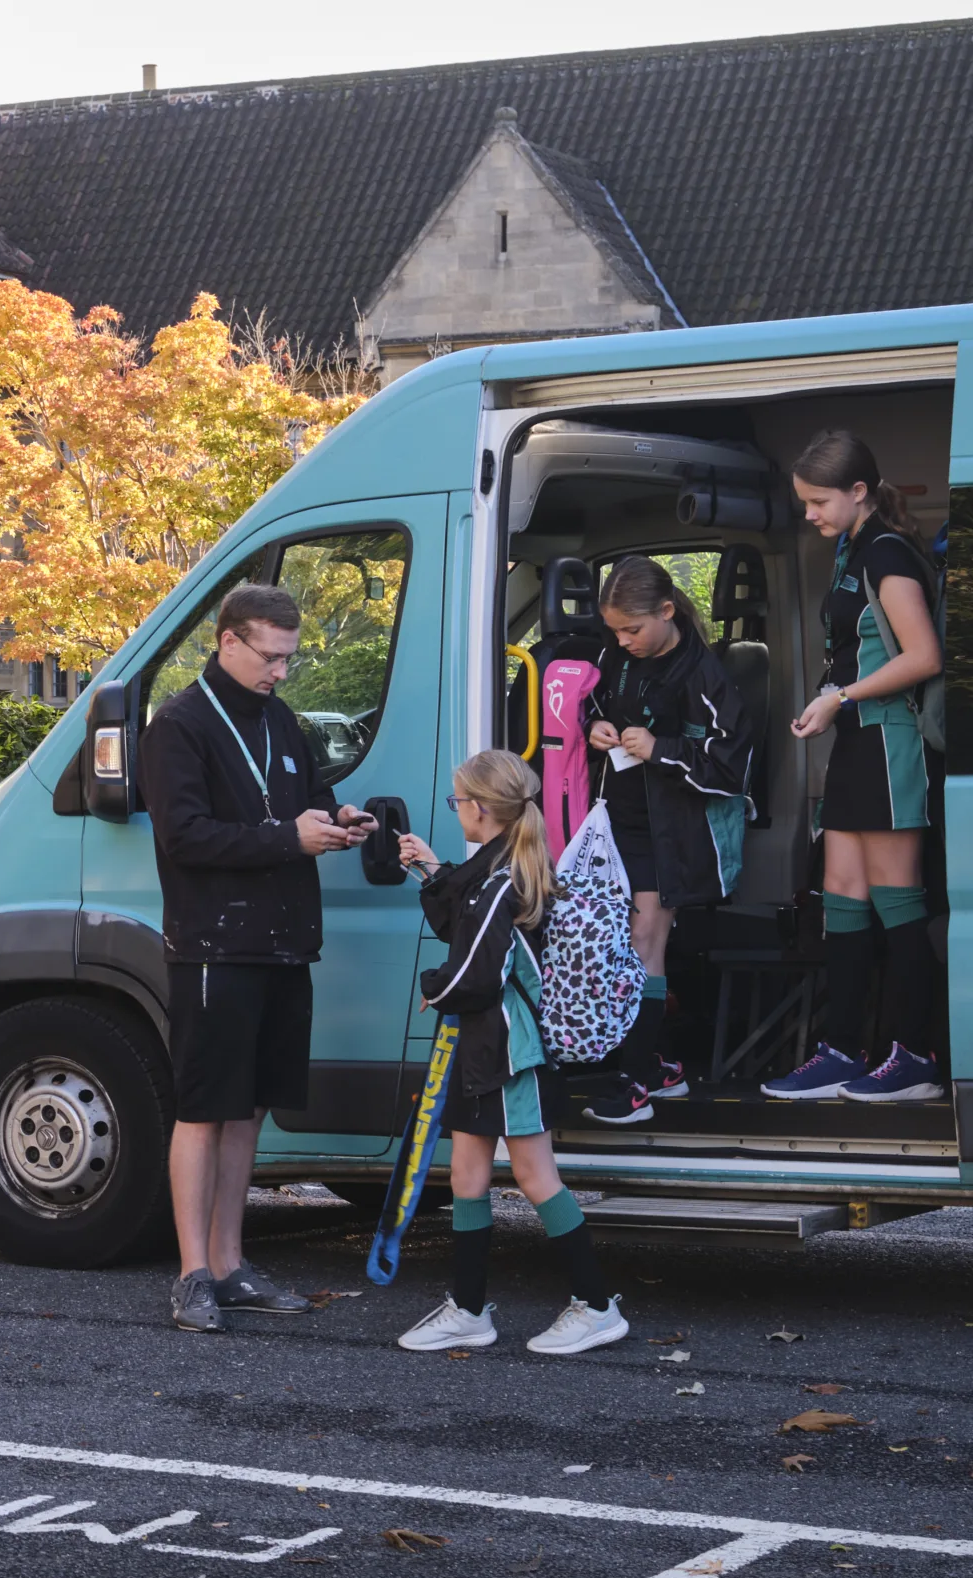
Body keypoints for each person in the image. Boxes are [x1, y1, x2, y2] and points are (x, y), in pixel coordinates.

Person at [140, 584, 374, 1334]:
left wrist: (338, 819)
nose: (281, 671)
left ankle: (232, 1262)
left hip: (282, 943)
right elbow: (184, 838)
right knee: (204, 1109)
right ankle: (191, 1276)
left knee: (249, 1112)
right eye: (270, 656)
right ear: (228, 641)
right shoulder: (177, 726)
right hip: (213, 945)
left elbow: (304, 796)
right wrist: (287, 839)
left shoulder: (279, 719)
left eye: (289, 657)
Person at [393, 750, 627, 1355]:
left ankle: (597, 1305)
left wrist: (432, 991)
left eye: (457, 802)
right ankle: (469, 1308)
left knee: (534, 1174)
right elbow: (463, 922)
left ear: (481, 809)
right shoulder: (499, 869)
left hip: (510, 1051)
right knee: (466, 1175)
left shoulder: (503, 882)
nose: (456, 811)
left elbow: (474, 970)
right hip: (487, 1045)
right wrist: (428, 868)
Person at [764, 429, 945, 1103]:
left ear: (858, 493)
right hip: (855, 743)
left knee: (899, 901)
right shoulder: (853, 550)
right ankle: (843, 1048)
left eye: (817, 500)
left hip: (890, 740)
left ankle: (916, 1055)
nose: (809, 512)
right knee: (840, 899)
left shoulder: (887, 553)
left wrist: (838, 696)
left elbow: (923, 656)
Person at [578, 556, 759, 1124]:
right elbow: (593, 704)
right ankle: (656, 1066)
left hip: (672, 831)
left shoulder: (704, 673)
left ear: (666, 610)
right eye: (614, 631)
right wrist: (594, 727)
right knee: (617, 943)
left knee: (644, 944)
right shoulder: (613, 657)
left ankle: (632, 1084)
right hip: (614, 822)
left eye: (633, 629)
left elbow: (733, 766)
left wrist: (662, 749)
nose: (622, 640)